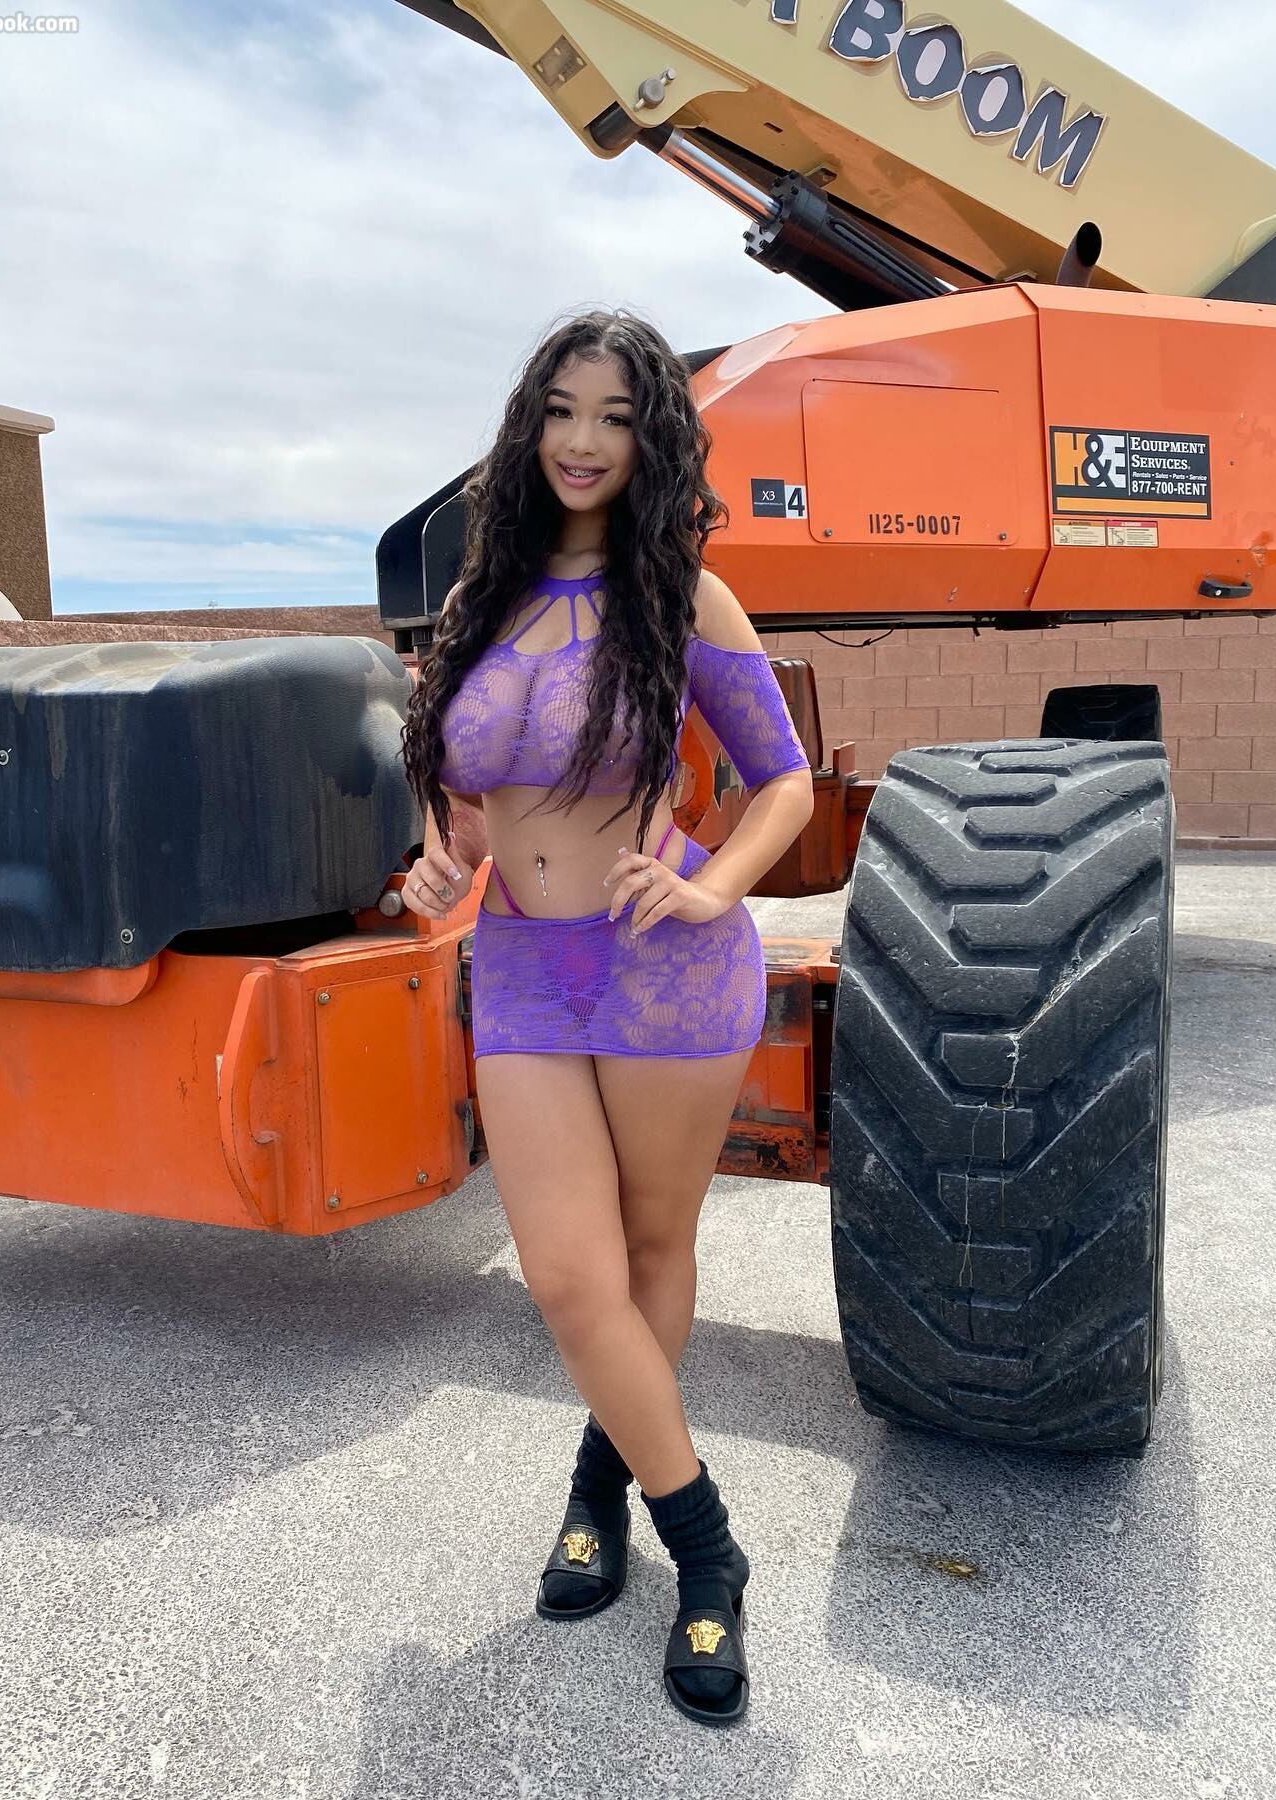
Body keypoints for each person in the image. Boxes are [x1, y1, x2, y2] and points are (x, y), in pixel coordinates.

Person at [398, 309, 814, 1727]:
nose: (583, 441)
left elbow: (781, 780)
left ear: (655, 443)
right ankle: (712, 1547)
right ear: (530, 427)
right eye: (563, 411)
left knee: (645, 1253)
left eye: (617, 418)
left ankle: (600, 1492)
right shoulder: (482, 598)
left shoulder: (682, 597)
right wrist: (441, 858)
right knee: (570, 1279)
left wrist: (716, 890)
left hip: (662, 965)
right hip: (522, 968)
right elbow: (466, 795)